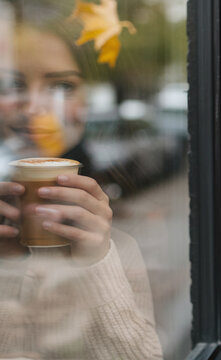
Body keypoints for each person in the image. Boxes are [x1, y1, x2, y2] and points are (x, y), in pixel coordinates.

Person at [0, 16, 163, 360]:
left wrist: (96, 262)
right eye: (10, 86)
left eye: (62, 87)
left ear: (87, 102)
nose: (35, 108)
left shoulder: (117, 245)